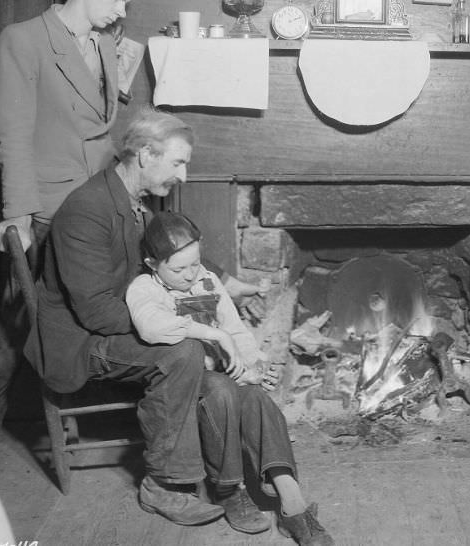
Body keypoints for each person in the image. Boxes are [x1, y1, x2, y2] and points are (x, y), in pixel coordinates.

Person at [24, 108, 227, 526]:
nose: (183, 176)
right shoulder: (87, 209)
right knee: (182, 351)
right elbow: (97, 312)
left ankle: (209, 457)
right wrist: (175, 317)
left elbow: (166, 260)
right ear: (145, 155)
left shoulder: (134, 204)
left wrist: (224, 283)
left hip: (112, 319)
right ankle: (163, 485)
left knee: (196, 338)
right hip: (79, 340)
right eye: (178, 163)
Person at [126, 212, 334, 544]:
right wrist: (213, 334)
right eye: (178, 269)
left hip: (220, 373)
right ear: (152, 263)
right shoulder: (144, 289)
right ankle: (228, 489)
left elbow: (236, 330)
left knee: (254, 396)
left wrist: (255, 365)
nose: (190, 275)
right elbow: (151, 327)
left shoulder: (206, 280)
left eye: (194, 263)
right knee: (222, 389)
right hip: (182, 386)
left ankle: (293, 505)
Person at [0, 0, 135, 450]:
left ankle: (77, 409)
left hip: (99, 199)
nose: (123, 10)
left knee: (97, 306)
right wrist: (16, 216)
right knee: (13, 332)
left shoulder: (105, 41)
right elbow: (11, 133)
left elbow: (100, 129)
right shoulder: (24, 39)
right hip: (50, 205)